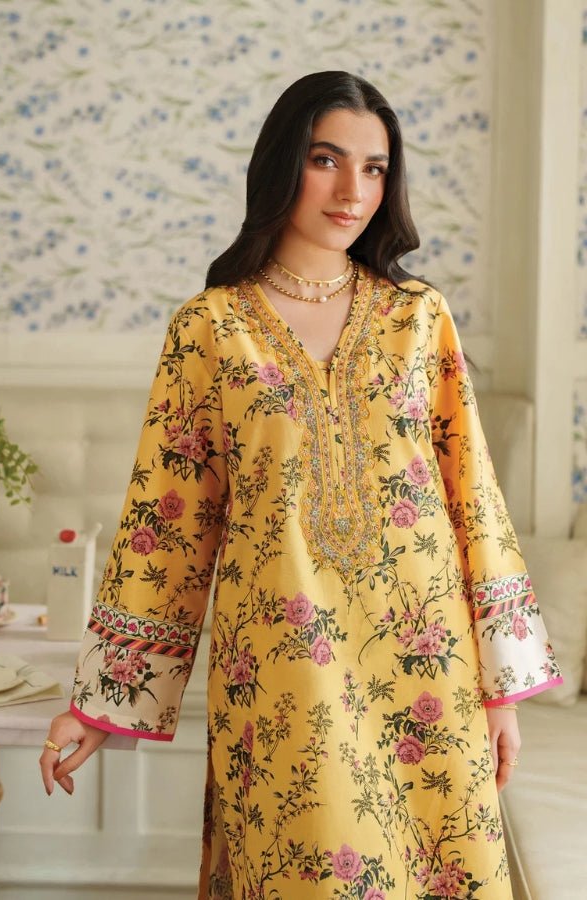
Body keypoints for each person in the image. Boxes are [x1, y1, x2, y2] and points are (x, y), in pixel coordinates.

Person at [40, 71, 562, 899]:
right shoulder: (210, 328)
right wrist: (100, 703)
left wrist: (501, 691)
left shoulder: (418, 317)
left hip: (431, 667)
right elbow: (167, 525)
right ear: (283, 165)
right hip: (285, 672)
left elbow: (475, 504)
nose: (354, 190)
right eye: (327, 159)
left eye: (376, 168)